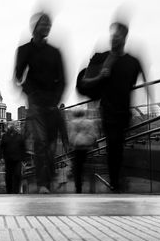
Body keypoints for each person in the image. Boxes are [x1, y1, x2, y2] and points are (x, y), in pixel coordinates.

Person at [81, 21, 152, 192]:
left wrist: (151, 104)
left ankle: (116, 180)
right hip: (108, 109)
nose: (114, 40)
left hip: (124, 110)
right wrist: (100, 76)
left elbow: (144, 81)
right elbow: (84, 81)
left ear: (124, 38)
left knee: (118, 146)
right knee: (113, 144)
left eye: (118, 37)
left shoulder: (132, 61)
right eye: (113, 36)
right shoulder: (102, 58)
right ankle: (115, 182)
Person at [14, 12, 68, 194]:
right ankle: (42, 184)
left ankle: (48, 178)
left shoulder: (55, 52)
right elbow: (18, 76)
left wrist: (57, 98)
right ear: (34, 27)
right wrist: (29, 91)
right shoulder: (24, 50)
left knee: (51, 146)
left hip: (51, 103)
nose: (46, 27)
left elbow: (63, 79)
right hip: (35, 102)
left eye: (48, 24)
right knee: (40, 143)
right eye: (43, 24)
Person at [69, 109, 98, 193]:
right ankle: (91, 187)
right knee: (89, 167)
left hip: (77, 149)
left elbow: (71, 137)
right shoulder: (90, 122)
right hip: (88, 148)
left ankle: (78, 187)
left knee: (77, 169)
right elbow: (94, 135)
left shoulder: (72, 123)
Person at [0, 125, 26, 194]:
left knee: (17, 175)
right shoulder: (5, 136)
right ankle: (9, 190)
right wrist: (1, 157)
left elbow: (23, 148)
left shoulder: (20, 136)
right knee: (8, 176)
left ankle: (16, 191)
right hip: (8, 159)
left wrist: (23, 158)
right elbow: (1, 147)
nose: (12, 128)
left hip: (17, 159)